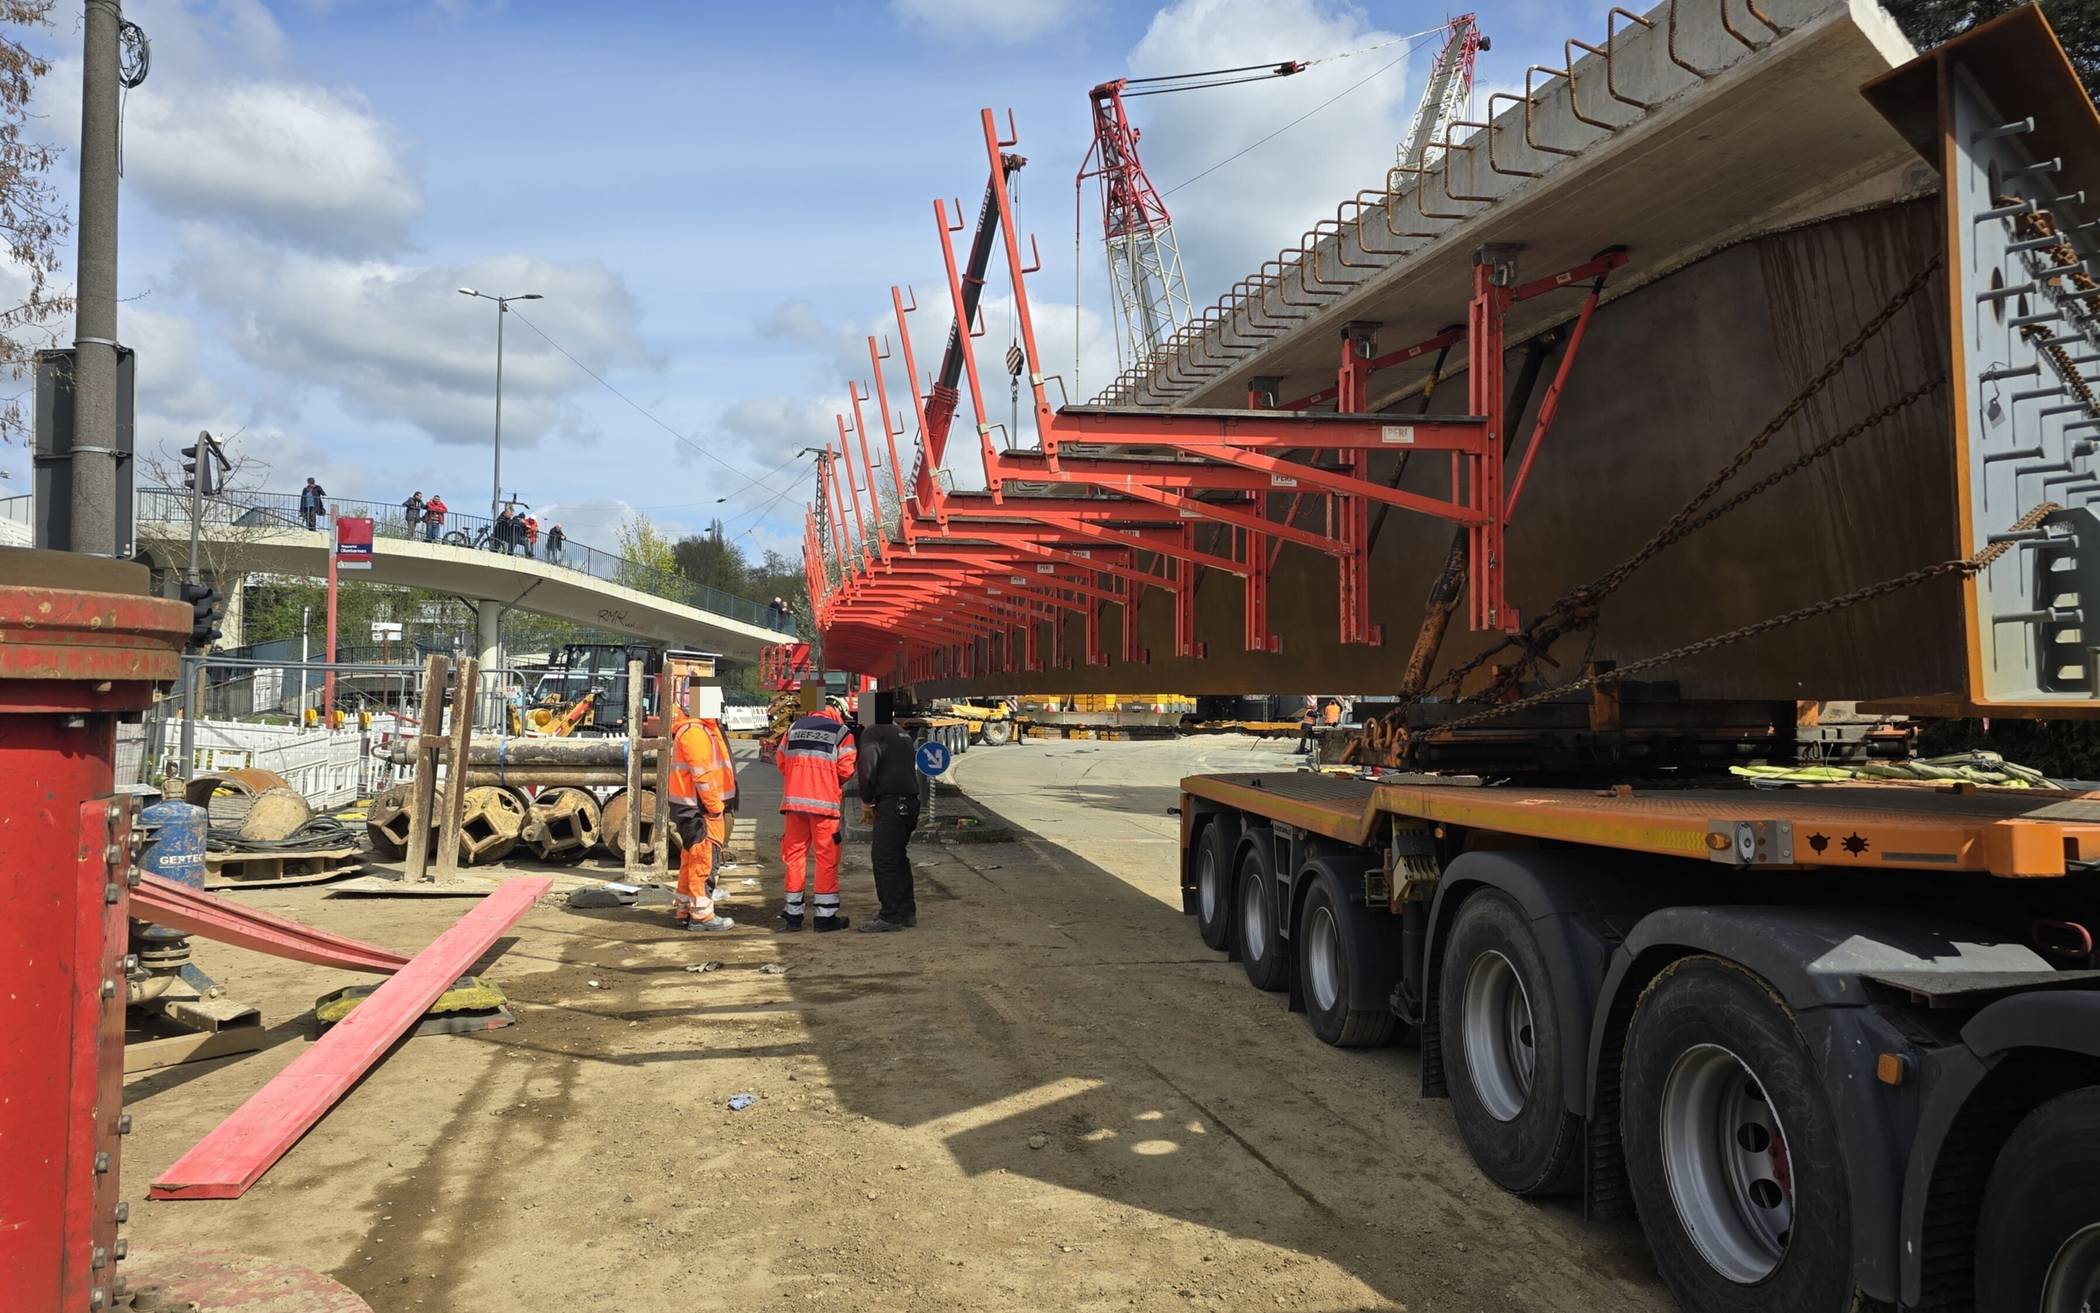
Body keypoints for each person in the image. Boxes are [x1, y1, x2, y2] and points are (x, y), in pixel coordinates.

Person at [776, 698, 857, 931]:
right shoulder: (841, 732)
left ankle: (793, 917)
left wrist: (798, 782)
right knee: (826, 859)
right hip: (824, 807)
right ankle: (824, 918)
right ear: (837, 713)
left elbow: (781, 762)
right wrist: (829, 783)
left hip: (794, 805)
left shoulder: (793, 729)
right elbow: (846, 769)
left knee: (794, 858)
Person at [666, 693, 735, 932]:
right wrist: (715, 807)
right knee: (704, 861)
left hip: (690, 807)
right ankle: (702, 917)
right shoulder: (697, 733)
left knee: (691, 859)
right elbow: (703, 775)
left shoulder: (696, 730)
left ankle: (685, 910)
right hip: (701, 808)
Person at [855, 716, 920, 932]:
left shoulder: (873, 733)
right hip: (909, 803)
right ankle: (906, 912)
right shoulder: (899, 732)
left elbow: (866, 770)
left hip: (892, 804)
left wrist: (866, 801)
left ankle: (891, 916)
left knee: (884, 859)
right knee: (897, 857)